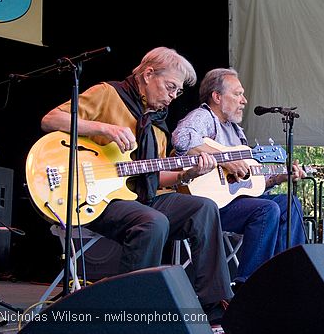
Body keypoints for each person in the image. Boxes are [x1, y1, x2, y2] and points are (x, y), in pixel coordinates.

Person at [40, 47, 232, 326]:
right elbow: (50, 119)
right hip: (97, 197)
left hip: (141, 197)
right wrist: (104, 129)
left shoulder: (156, 125)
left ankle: (213, 308)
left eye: (177, 92)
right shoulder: (109, 94)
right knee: (153, 222)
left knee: (202, 207)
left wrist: (186, 173)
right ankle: (130, 311)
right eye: (170, 87)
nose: (172, 96)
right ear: (148, 73)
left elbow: (156, 177)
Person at [172, 68, 306, 290]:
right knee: (266, 210)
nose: (244, 100)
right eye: (237, 94)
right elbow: (182, 138)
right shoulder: (204, 116)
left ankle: (289, 278)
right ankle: (249, 287)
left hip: (236, 201)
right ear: (217, 96)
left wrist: (282, 176)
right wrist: (225, 160)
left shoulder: (236, 131)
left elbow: (250, 183)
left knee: (290, 203)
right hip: (208, 206)